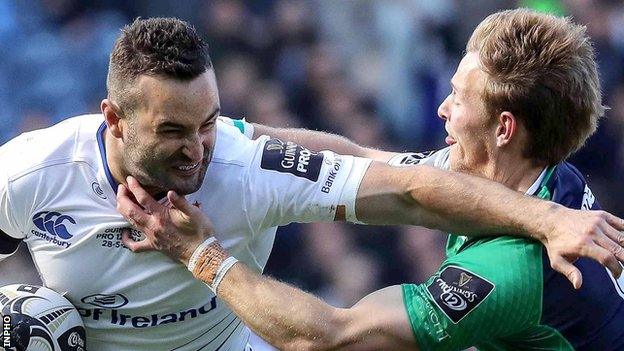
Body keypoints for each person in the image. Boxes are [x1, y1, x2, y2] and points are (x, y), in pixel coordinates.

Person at [0, 16, 622, 351]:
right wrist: (243, 139)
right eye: (175, 128)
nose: (440, 111)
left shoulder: (512, 271)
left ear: (505, 129)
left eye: (457, 99)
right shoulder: (540, 188)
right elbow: (380, 167)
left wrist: (198, 253)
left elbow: (331, 338)